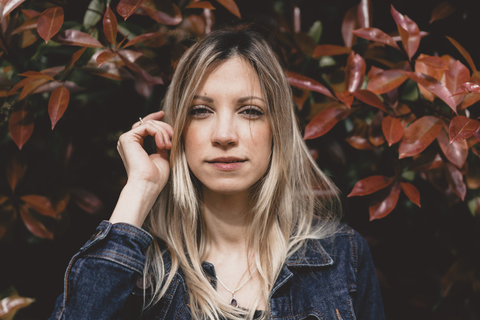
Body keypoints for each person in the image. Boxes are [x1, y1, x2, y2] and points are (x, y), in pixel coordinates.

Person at [49, 24, 385, 320]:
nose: (224, 135)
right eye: (201, 111)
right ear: (177, 127)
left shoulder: (342, 256)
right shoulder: (141, 270)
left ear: (277, 129)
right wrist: (139, 189)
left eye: (250, 111)